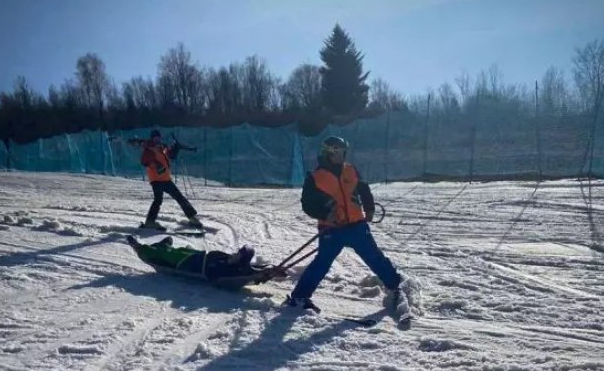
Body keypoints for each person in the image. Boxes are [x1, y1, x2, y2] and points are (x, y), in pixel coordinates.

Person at [285, 135, 403, 313]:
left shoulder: (351, 170)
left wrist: (369, 208)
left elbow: (364, 190)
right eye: (339, 151)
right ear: (329, 153)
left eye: (343, 151)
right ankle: (299, 297)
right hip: (332, 229)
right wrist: (325, 214)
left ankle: (395, 286)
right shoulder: (316, 177)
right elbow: (307, 204)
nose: (343, 155)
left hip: (356, 225)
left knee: (374, 257)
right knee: (321, 263)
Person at [126, 235, 270, 288]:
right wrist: (267, 270)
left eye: (238, 254)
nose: (235, 254)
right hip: (199, 256)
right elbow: (256, 269)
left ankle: (141, 248)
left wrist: (259, 276)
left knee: (165, 254)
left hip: (189, 264)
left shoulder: (232, 271)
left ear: (241, 260)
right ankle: (164, 246)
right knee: (180, 249)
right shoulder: (235, 263)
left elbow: (242, 277)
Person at [140, 129, 202, 230]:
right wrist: (155, 165)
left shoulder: (162, 148)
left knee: (179, 197)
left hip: (166, 179)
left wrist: (176, 148)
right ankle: (150, 222)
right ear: (152, 138)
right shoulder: (149, 148)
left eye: (158, 137)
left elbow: (171, 155)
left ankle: (192, 217)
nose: (157, 139)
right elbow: (144, 161)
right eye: (155, 137)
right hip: (156, 180)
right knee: (158, 200)